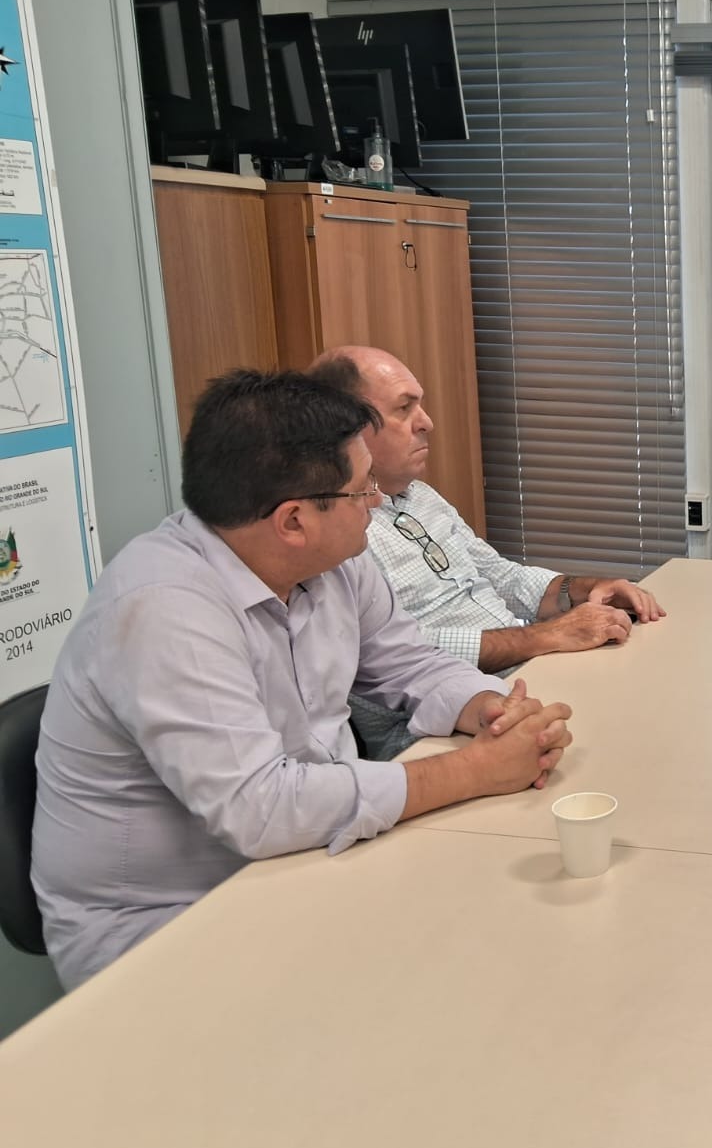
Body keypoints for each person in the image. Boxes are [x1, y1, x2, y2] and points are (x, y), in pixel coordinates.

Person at [32, 371, 574, 990]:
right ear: (293, 520)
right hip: (169, 927)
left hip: (308, 858)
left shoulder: (334, 560)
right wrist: (475, 771)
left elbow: (409, 663)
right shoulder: (164, 610)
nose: (378, 500)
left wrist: (494, 711)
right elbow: (258, 809)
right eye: (362, 487)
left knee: (503, 942)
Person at [308, 346, 664, 676]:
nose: (427, 423)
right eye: (404, 408)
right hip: (445, 715)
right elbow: (388, 653)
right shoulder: (338, 527)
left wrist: (585, 589)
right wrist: (545, 636)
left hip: (525, 672)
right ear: (347, 428)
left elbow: (503, 578)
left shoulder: (421, 497)